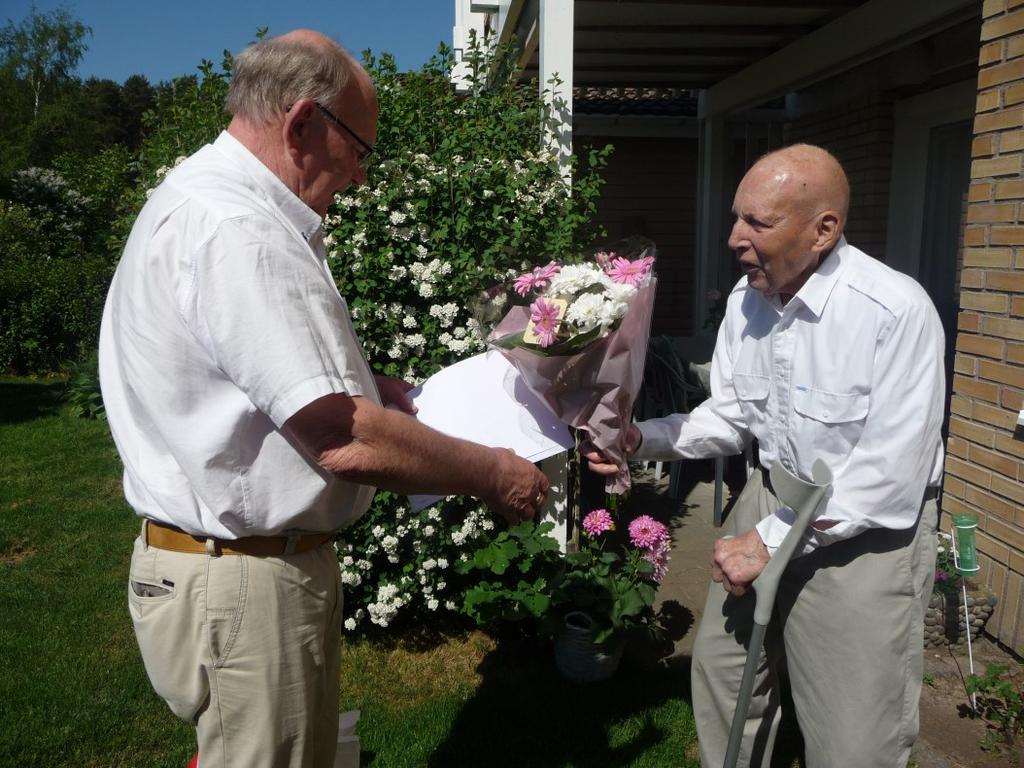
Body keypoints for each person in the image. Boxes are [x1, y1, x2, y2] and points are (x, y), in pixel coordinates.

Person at [99, 30, 548, 768]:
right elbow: (345, 439)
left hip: (226, 568)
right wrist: (495, 473)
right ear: (304, 124)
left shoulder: (202, 197)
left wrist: (377, 388)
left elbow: (253, 378)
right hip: (246, 581)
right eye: (360, 151)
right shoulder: (241, 230)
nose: (362, 176)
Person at [587, 143, 944, 767]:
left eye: (757, 222)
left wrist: (769, 541)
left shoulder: (895, 312)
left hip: (862, 538)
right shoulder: (746, 303)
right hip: (770, 496)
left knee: (853, 735)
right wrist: (644, 439)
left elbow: (887, 477)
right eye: (736, 217)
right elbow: (731, 416)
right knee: (727, 686)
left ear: (823, 230)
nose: (733, 238)